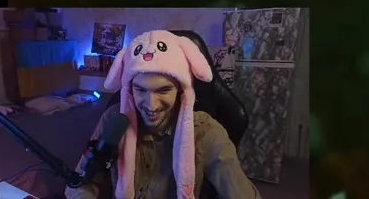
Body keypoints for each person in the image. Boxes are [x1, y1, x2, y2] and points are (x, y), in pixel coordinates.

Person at [66, 30, 259, 199]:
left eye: (164, 90)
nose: (151, 105)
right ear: (130, 89)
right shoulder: (114, 119)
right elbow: (81, 182)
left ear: (181, 90)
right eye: (140, 90)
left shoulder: (206, 132)